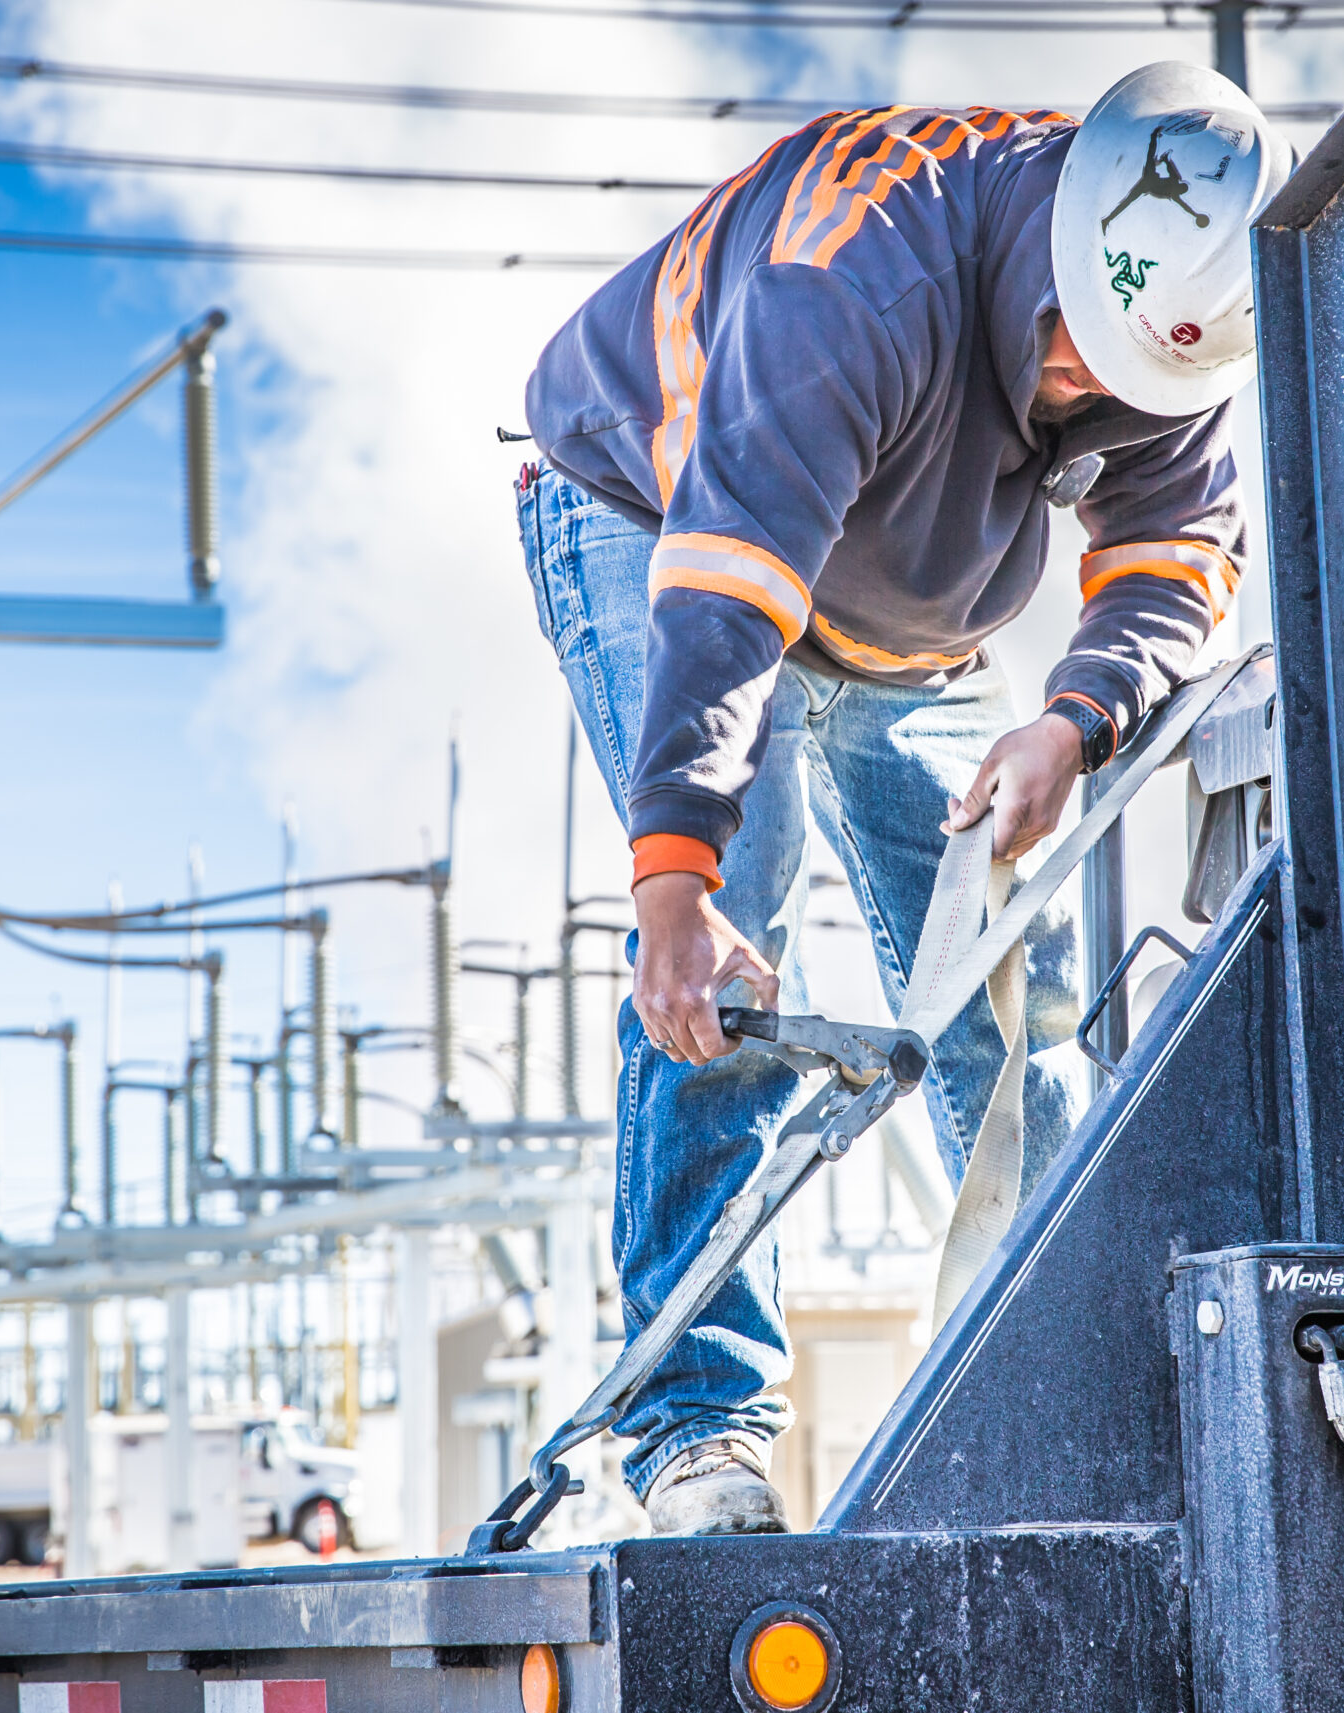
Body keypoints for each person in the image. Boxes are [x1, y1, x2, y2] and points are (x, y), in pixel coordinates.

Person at [516, 61, 1285, 1536]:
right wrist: (671, 884)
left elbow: (1178, 548)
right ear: (1057, 242)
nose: (1081, 388)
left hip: (905, 628)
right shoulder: (853, 279)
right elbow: (729, 587)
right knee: (731, 957)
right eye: (1072, 350)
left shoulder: (1173, 330)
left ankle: (1053, 1377)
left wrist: (1074, 716)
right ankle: (697, 1431)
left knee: (1022, 983)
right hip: (655, 514)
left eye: (1119, 381)